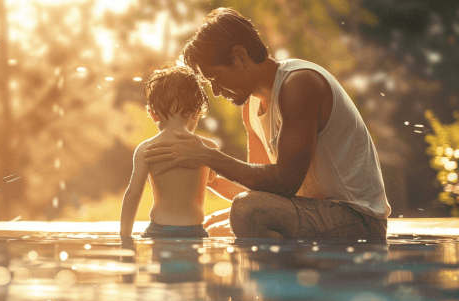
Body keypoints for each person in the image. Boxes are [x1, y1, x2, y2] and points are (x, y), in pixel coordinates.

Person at [143, 8, 391, 241]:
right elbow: (263, 189)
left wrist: (208, 156)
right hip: (317, 213)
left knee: (247, 210)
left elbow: (285, 182)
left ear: (239, 57)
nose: (216, 91)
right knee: (231, 216)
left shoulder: (299, 84)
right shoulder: (251, 108)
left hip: (359, 219)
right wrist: (213, 180)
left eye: (216, 78)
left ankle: (281, 273)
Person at [120, 65, 220, 238]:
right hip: (193, 230)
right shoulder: (208, 147)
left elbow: (133, 194)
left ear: (153, 114)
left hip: (158, 230)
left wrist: (125, 236)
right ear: (196, 113)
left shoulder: (145, 149)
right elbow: (211, 179)